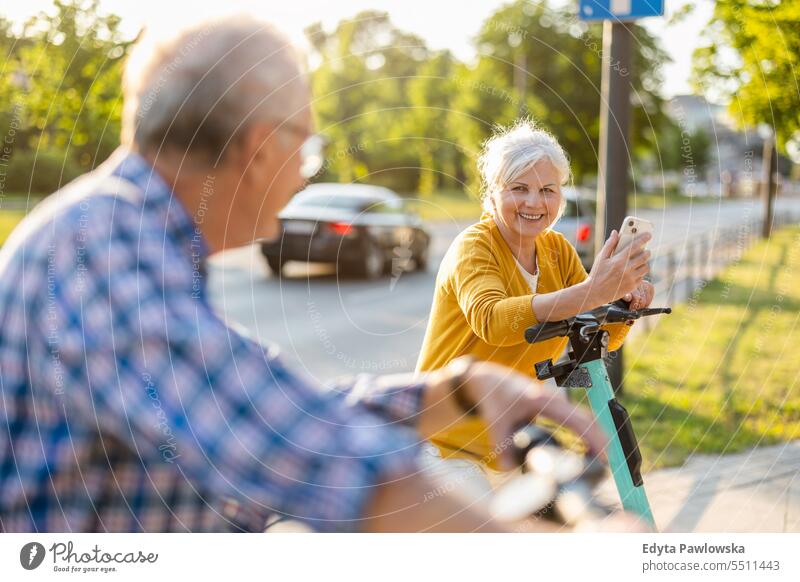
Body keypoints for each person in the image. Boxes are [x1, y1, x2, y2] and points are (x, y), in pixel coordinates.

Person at [0, 17, 609, 533]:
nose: (304, 180)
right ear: (262, 147)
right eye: (309, 153)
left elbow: (266, 406)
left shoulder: (126, 237)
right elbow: (307, 458)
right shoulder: (101, 252)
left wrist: (451, 391)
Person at [415, 120, 653, 488]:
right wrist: (593, 291)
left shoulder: (557, 250)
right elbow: (492, 320)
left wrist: (625, 305)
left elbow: (593, 338)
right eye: (519, 188)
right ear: (493, 192)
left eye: (547, 189)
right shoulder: (474, 247)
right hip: (444, 445)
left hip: (509, 445)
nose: (534, 202)